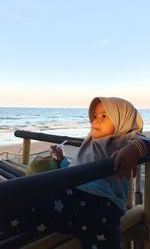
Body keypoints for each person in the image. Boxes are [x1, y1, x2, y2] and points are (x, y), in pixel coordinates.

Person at [1, 97, 150, 249]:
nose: (94, 121)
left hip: (101, 205)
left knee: (24, 204)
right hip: (74, 196)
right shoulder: (91, 142)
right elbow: (77, 168)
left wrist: (136, 149)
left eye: (103, 116)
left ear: (122, 119)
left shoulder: (125, 139)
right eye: (94, 116)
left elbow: (147, 143)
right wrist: (61, 159)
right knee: (29, 199)